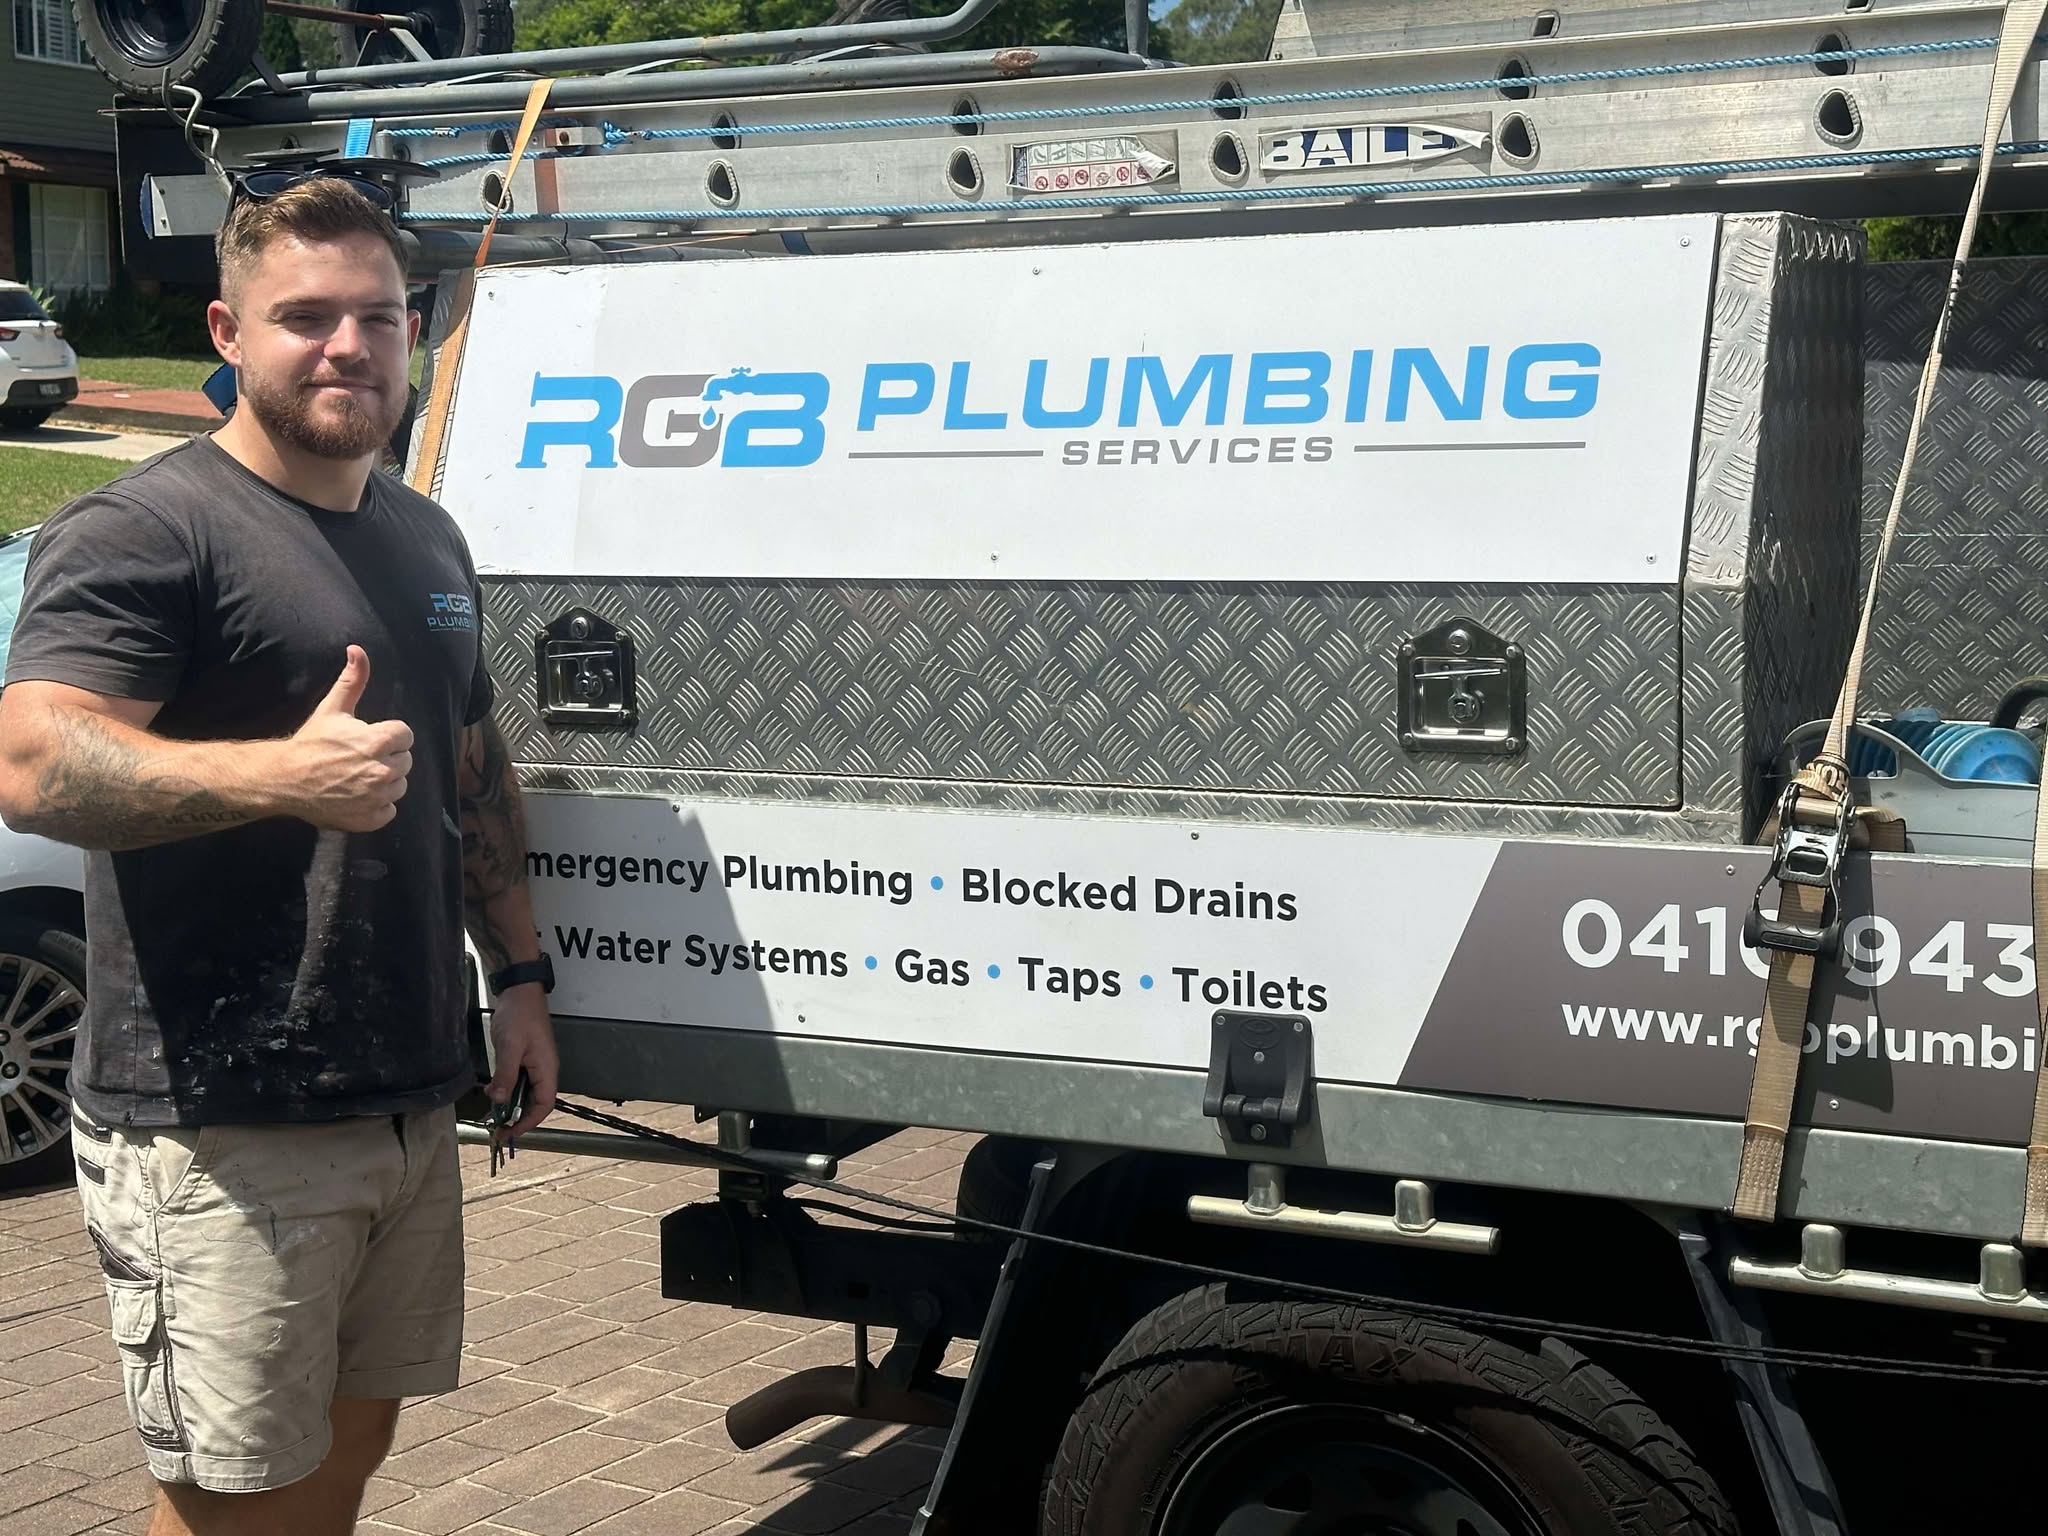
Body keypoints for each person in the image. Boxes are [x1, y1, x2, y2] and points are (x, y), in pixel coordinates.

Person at [0, 176, 558, 1536]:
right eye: (305, 317)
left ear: (414, 332)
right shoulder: (150, 529)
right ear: (228, 333)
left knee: (344, 1462)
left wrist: (522, 977)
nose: (346, 347)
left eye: (378, 316)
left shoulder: (425, 533)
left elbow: (471, 766)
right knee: (230, 1501)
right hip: (219, 1118)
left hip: (403, 1094)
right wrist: (278, 777)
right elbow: (30, 760)